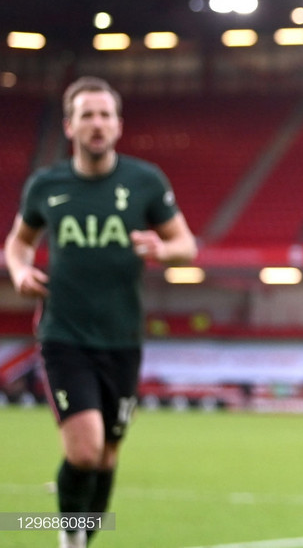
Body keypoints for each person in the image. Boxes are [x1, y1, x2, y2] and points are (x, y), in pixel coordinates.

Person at [4, 76, 198, 548]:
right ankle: (67, 542)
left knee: (108, 456)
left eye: (105, 115)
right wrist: (18, 269)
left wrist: (161, 248)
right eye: (86, 115)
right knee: (86, 450)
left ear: (118, 125)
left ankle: (87, 539)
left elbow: (186, 246)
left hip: (123, 338)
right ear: (69, 126)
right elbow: (18, 243)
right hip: (63, 334)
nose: (97, 123)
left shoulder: (145, 181)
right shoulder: (46, 186)